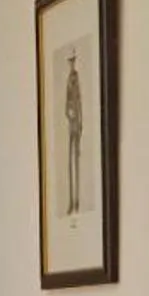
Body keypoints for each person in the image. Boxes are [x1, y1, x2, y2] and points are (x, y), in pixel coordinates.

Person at [63, 48, 84, 217]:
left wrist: (80, 122)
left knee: (76, 160)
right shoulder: (68, 80)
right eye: (69, 61)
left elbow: (79, 102)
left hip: (77, 124)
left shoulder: (76, 79)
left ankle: (77, 201)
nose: (71, 64)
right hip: (71, 123)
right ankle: (71, 201)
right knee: (70, 162)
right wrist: (68, 113)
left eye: (72, 61)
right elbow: (66, 103)